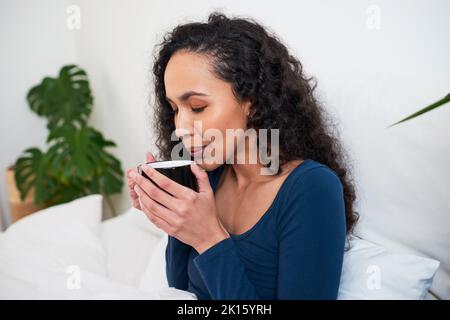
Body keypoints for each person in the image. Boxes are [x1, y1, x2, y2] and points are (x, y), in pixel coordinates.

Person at [127, 12, 359, 300]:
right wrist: (173, 218)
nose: (181, 128)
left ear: (251, 101)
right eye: (174, 109)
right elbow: (181, 292)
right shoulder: (207, 178)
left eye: (197, 107)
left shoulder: (311, 189)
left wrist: (208, 238)